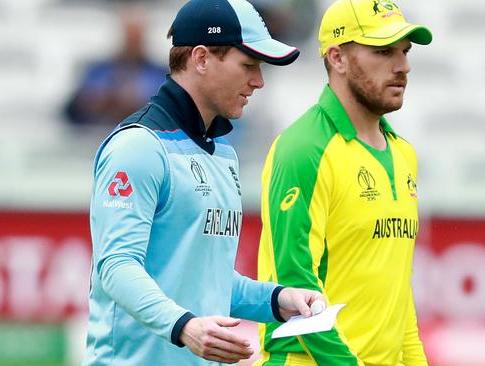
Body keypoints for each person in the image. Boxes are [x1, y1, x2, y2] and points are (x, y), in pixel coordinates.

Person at [83, 1, 323, 365]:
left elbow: (207, 279)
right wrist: (185, 327)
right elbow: (116, 266)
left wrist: (277, 300)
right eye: (248, 65)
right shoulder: (139, 146)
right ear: (201, 58)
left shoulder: (222, 153)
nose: (258, 81)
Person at [256, 0, 432, 364]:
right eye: (383, 51)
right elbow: (296, 281)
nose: (403, 66)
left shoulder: (404, 155)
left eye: (404, 51)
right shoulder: (303, 149)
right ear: (337, 58)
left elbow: (398, 295)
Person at [64, 5, 168, 127]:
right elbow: (72, 108)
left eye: (136, 37)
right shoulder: (98, 70)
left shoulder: (160, 74)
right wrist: (99, 102)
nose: (132, 44)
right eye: (128, 37)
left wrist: (136, 105)